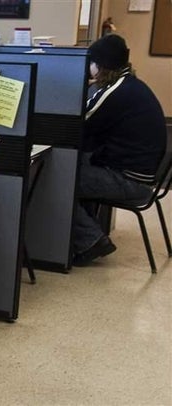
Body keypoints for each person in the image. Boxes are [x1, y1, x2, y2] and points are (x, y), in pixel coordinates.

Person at [72, 34, 167, 267]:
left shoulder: (114, 92)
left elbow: (77, 125)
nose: (89, 66)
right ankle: (86, 234)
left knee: (59, 181)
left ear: (101, 65)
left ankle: (90, 241)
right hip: (142, 176)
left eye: (92, 62)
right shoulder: (131, 85)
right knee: (77, 165)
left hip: (132, 182)